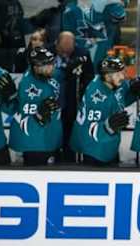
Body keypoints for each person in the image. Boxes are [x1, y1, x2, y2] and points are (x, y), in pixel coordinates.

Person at [70, 56, 140, 166]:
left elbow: (122, 100)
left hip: (110, 145)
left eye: (122, 72)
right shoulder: (95, 96)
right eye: (118, 74)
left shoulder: (116, 84)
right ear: (107, 76)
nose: (122, 77)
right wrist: (107, 126)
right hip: (93, 148)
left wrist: (136, 92)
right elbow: (90, 129)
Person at [9, 47, 63, 166]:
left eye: (52, 63)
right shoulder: (27, 86)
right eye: (47, 65)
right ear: (36, 67)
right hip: (34, 143)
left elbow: (61, 76)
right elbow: (22, 113)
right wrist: (40, 114)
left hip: (50, 138)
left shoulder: (50, 75)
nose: (52, 67)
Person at [52, 31, 94, 162]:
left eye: (69, 50)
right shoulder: (47, 53)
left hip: (71, 101)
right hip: (51, 101)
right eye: (63, 50)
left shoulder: (83, 54)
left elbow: (89, 78)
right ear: (56, 44)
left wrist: (82, 91)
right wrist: (66, 70)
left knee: (69, 132)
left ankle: (69, 160)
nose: (66, 53)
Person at [62, 0, 126, 71]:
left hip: (103, 52)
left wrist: (116, 2)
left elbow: (119, 14)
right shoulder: (70, 9)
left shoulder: (108, 5)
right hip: (81, 55)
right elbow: (68, 35)